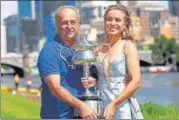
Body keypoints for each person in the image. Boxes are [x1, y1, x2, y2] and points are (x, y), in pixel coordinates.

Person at [81, 4, 143, 119]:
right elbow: (101, 79)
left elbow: (136, 81)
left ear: (125, 25)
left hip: (121, 102)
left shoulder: (128, 46)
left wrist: (115, 103)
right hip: (100, 103)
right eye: (109, 19)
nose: (113, 23)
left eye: (118, 20)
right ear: (104, 22)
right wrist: (92, 82)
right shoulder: (99, 49)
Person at [37, 6, 97, 119]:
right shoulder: (49, 51)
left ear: (78, 24)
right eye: (65, 23)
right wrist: (80, 105)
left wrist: (95, 81)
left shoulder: (86, 48)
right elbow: (55, 88)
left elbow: (99, 76)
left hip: (87, 113)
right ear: (56, 25)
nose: (69, 26)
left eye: (73, 22)